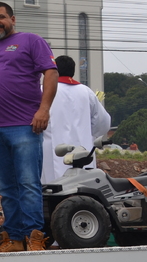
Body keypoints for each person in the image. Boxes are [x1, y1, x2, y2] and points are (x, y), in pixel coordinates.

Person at [0, 2, 58, 253]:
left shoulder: (31, 40)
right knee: (6, 188)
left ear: (13, 18)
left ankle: (35, 236)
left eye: (1, 17)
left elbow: (51, 73)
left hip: (24, 125)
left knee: (28, 183)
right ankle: (15, 238)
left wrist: (44, 109)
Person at [40, 55, 111, 183]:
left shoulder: (43, 91)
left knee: (50, 189)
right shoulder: (87, 92)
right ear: (73, 71)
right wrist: (89, 134)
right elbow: (104, 123)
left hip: (51, 149)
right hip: (83, 148)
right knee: (83, 188)